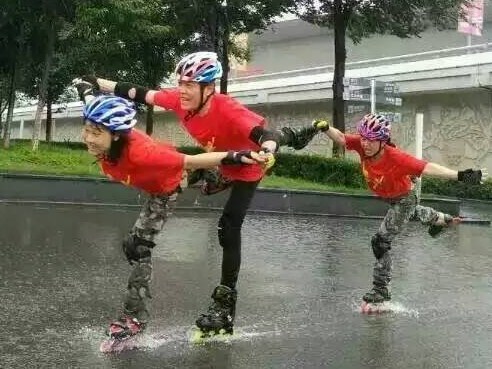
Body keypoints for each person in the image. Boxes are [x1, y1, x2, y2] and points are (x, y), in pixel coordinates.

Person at [76, 51, 319, 336]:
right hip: (218, 163)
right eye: (180, 82)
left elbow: (264, 135)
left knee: (228, 229)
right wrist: (96, 82)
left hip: (247, 167)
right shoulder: (180, 102)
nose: (182, 90)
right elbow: (138, 93)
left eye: (190, 85)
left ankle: (224, 309)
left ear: (209, 88)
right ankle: (295, 136)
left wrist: (266, 151)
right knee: (176, 176)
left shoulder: (228, 109)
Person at [74, 88, 268, 339]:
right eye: (87, 130)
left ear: (117, 135)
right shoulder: (106, 127)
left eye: (95, 133)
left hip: (168, 187)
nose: (88, 138)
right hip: (170, 175)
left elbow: (190, 161)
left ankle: (133, 318)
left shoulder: (141, 152)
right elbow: (93, 104)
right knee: (207, 183)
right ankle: (223, 178)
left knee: (137, 246)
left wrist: (236, 156)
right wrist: (88, 90)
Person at [312, 114, 486, 304]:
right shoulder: (363, 147)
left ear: (382, 141)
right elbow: (341, 138)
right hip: (393, 196)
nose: (365, 144)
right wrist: (326, 128)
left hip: (406, 196)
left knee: (380, 241)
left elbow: (428, 168)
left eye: (371, 140)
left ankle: (381, 289)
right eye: (363, 138)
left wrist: (461, 175)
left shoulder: (396, 158)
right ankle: (441, 220)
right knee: (407, 215)